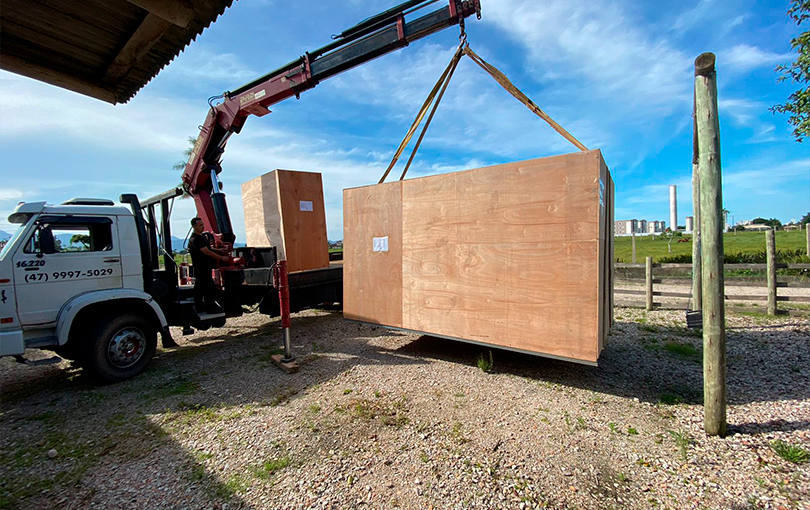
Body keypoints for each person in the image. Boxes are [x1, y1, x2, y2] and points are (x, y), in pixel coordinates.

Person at [188, 217, 230, 314]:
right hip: (201, 268)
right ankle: (210, 307)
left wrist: (219, 250)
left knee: (200, 288)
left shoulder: (202, 237)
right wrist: (221, 258)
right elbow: (207, 252)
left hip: (206, 267)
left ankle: (200, 306)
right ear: (194, 227)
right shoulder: (195, 239)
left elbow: (209, 248)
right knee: (208, 288)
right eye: (200, 225)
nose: (203, 227)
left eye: (203, 224)